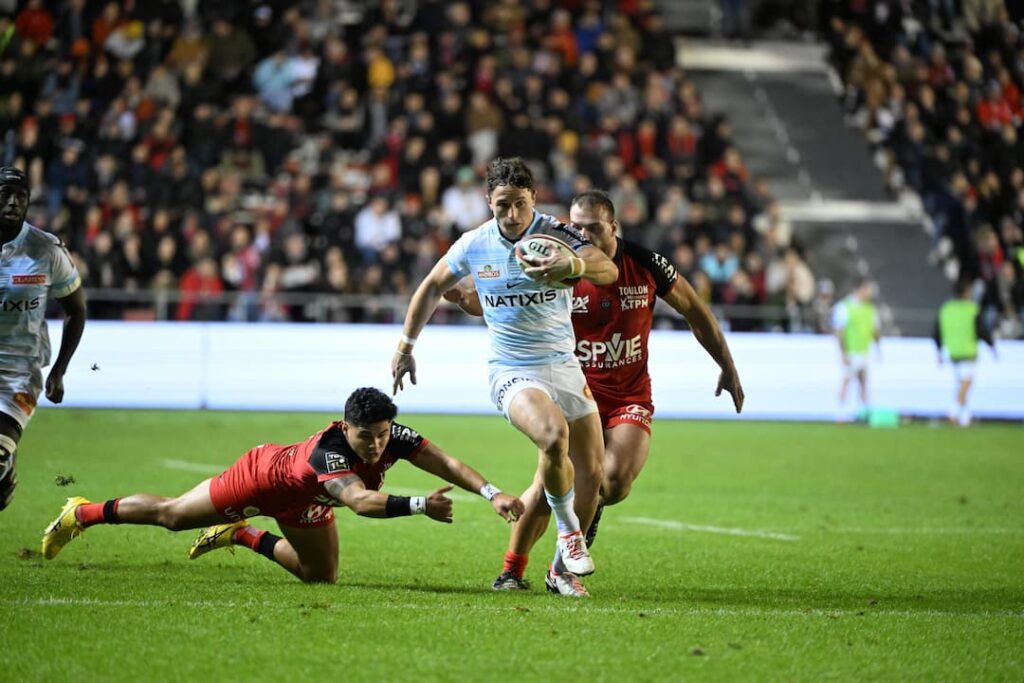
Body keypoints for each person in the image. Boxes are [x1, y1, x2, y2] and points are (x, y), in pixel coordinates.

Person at [445, 189, 744, 596]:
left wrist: (726, 364)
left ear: (613, 227)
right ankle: (512, 571)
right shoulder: (552, 262)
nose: (583, 233)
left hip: (629, 396)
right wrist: (468, 301)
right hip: (570, 391)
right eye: (577, 227)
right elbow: (502, 298)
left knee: (613, 482)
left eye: (593, 227)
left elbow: (694, 309)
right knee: (547, 483)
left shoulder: (646, 264)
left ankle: (559, 567)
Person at [391, 157, 619, 596]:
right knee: (553, 438)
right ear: (487, 202)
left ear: (533, 197)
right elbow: (431, 286)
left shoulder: (555, 233)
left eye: (519, 204)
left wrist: (571, 267)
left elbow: (606, 268)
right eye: (502, 206)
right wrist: (405, 347)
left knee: (592, 472)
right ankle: (571, 534)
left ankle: (560, 572)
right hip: (512, 370)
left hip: (565, 368)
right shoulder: (473, 245)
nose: (512, 216)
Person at [42, 387, 525, 584]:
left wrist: (492, 492)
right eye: (366, 436)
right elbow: (358, 501)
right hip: (259, 480)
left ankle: (244, 535)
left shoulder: (390, 435)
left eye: (383, 435)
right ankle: (80, 512)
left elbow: (446, 462)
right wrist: (420, 504)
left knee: (321, 577)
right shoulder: (329, 453)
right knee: (171, 516)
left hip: (303, 502)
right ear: (345, 425)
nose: (377, 445)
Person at [0, 166, 86, 511]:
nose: (12, 203)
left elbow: (75, 311)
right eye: (5, 194)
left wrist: (60, 370)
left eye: (20, 196)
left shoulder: (46, 250)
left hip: (20, 371)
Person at [934, 280, 996, 427]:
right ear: (966, 293)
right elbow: (981, 330)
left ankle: (965, 418)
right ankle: (953, 412)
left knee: (962, 385)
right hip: (968, 352)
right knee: (967, 383)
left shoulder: (946, 309)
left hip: (953, 352)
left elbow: (937, 332)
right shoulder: (972, 309)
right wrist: (992, 346)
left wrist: (939, 351)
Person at [832, 278, 880, 420]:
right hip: (851, 351)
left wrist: (878, 348)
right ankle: (841, 412)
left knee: (863, 380)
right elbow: (839, 331)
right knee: (847, 379)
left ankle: (863, 412)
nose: (870, 293)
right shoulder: (845, 306)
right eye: (867, 289)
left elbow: (875, 330)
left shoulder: (870, 309)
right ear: (859, 289)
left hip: (864, 351)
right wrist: (843, 352)